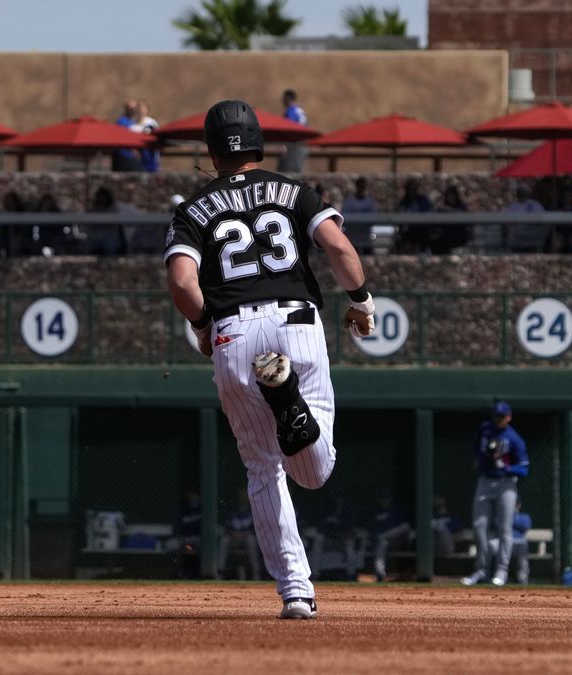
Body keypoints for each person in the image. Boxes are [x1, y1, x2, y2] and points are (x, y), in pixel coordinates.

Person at [164, 100, 374, 620]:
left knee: (264, 471)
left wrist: (201, 326)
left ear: (211, 152)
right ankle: (289, 404)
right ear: (259, 142)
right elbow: (339, 249)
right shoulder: (295, 191)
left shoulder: (192, 210)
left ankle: (296, 592)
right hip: (296, 323)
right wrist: (361, 299)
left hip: (233, 333)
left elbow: (182, 282)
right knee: (314, 473)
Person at [461, 401, 529, 586]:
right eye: (496, 415)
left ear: (509, 417)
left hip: (505, 483)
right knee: (479, 526)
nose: (498, 419)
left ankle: (501, 571)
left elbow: (524, 469)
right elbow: (477, 445)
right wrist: (480, 458)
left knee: (505, 529)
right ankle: (481, 570)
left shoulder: (514, 438)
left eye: (502, 416)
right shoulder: (485, 429)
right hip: (485, 480)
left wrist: (506, 467)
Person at [217, 490, 261, 580]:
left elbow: (255, 529)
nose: (243, 497)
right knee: (224, 540)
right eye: (241, 495)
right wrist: (234, 534)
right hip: (233, 538)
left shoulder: (252, 510)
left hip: (247, 538)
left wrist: (243, 534)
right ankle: (219, 572)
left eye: (245, 495)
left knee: (251, 540)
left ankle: (256, 573)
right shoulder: (233, 511)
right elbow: (227, 527)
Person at [369, 494, 411, 582]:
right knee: (382, 542)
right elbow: (372, 530)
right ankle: (380, 573)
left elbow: (401, 529)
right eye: (383, 498)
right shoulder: (375, 512)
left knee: (405, 526)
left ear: (390, 500)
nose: (385, 501)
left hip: (396, 542)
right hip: (380, 542)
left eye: (387, 498)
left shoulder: (395, 512)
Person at [504, 184, 547, 253]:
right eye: (520, 191)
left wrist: (542, 236)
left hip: (533, 241)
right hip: (517, 242)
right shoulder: (512, 207)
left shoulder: (535, 205)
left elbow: (544, 221)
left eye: (523, 192)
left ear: (528, 193)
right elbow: (506, 223)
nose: (522, 193)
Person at [340, 177, 378, 254]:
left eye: (363, 186)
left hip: (365, 240)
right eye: (360, 186)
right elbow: (343, 217)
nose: (361, 188)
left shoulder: (369, 202)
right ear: (357, 186)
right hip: (352, 240)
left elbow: (373, 218)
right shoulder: (349, 201)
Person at [278, 89, 308, 173]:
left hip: (294, 145)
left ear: (288, 98)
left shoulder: (290, 111)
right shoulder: (300, 110)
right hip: (303, 144)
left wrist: (284, 145)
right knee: (297, 173)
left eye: (283, 98)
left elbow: (288, 129)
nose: (282, 101)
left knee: (286, 173)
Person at [112, 100, 141, 171]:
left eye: (134, 107)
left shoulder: (134, 122)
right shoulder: (121, 121)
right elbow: (120, 138)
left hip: (133, 159)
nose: (133, 110)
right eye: (130, 107)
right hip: (123, 157)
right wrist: (132, 149)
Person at [132, 100, 160, 173]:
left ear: (147, 110)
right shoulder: (133, 125)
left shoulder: (151, 123)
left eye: (143, 108)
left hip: (150, 156)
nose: (141, 110)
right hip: (137, 158)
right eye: (139, 108)